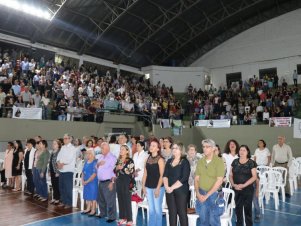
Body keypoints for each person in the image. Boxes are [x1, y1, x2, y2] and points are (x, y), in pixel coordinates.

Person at [194, 139, 225, 226]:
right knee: (203, 220)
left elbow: (219, 181)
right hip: (201, 193)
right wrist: (197, 193)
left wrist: (207, 195)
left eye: (208, 147)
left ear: (213, 149)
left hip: (214, 195)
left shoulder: (219, 162)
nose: (205, 149)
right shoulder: (200, 161)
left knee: (214, 220)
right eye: (203, 147)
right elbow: (196, 179)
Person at [163, 142, 190, 226]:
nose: (174, 150)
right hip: (169, 190)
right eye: (173, 148)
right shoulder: (169, 161)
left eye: (176, 148)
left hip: (181, 191)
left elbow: (184, 178)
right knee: (172, 213)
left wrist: (172, 187)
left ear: (181, 150)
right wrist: (167, 186)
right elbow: (165, 175)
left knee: (182, 214)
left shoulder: (185, 162)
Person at [230, 145, 257, 226]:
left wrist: (244, 185)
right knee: (238, 209)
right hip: (236, 189)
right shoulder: (234, 161)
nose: (241, 152)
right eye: (240, 150)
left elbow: (254, 177)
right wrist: (233, 184)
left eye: (244, 150)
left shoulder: (251, 163)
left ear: (247, 152)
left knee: (247, 210)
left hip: (247, 189)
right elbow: (230, 175)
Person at [142, 138, 165, 226]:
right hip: (148, 187)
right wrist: (143, 187)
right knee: (151, 210)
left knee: (157, 210)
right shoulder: (147, 158)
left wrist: (158, 188)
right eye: (151, 145)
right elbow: (145, 174)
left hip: (158, 187)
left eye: (154, 146)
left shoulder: (160, 160)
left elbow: (162, 175)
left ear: (158, 149)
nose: (151, 147)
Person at [96, 142, 117, 223]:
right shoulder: (101, 157)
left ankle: (112, 216)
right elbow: (96, 167)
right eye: (101, 148)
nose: (101, 149)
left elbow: (114, 171)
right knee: (100, 199)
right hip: (101, 181)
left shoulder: (112, 158)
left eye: (102, 148)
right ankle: (102, 213)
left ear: (107, 149)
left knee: (110, 200)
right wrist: (98, 164)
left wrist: (112, 182)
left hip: (108, 181)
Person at [114, 145, 135, 225]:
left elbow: (130, 171)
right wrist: (117, 168)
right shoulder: (119, 160)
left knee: (127, 201)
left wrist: (121, 168)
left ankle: (130, 220)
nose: (121, 150)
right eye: (120, 149)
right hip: (119, 181)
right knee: (120, 200)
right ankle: (122, 218)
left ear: (127, 151)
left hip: (127, 182)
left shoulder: (130, 160)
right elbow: (114, 170)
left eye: (123, 149)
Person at [57, 134, 77, 209]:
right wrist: (58, 163)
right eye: (63, 138)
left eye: (66, 138)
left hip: (68, 170)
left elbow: (70, 159)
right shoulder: (62, 147)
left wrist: (62, 163)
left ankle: (69, 202)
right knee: (61, 187)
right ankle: (63, 201)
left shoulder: (72, 148)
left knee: (68, 187)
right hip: (61, 170)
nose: (64, 140)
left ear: (69, 139)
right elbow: (58, 156)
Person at [81, 149, 98, 216]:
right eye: (87, 153)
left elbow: (94, 174)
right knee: (87, 196)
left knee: (93, 196)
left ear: (93, 154)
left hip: (92, 182)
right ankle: (88, 208)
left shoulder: (95, 162)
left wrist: (87, 181)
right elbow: (83, 172)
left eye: (89, 153)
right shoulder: (86, 162)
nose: (87, 155)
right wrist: (82, 180)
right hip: (86, 182)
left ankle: (93, 210)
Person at [49, 139, 61, 204]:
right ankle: (55, 197)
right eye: (53, 143)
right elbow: (50, 162)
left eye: (55, 144)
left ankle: (58, 198)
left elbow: (59, 163)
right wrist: (49, 171)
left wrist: (58, 172)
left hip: (56, 171)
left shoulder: (59, 152)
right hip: (52, 170)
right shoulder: (52, 152)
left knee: (57, 185)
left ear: (58, 145)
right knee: (53, 185)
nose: (53, 145)